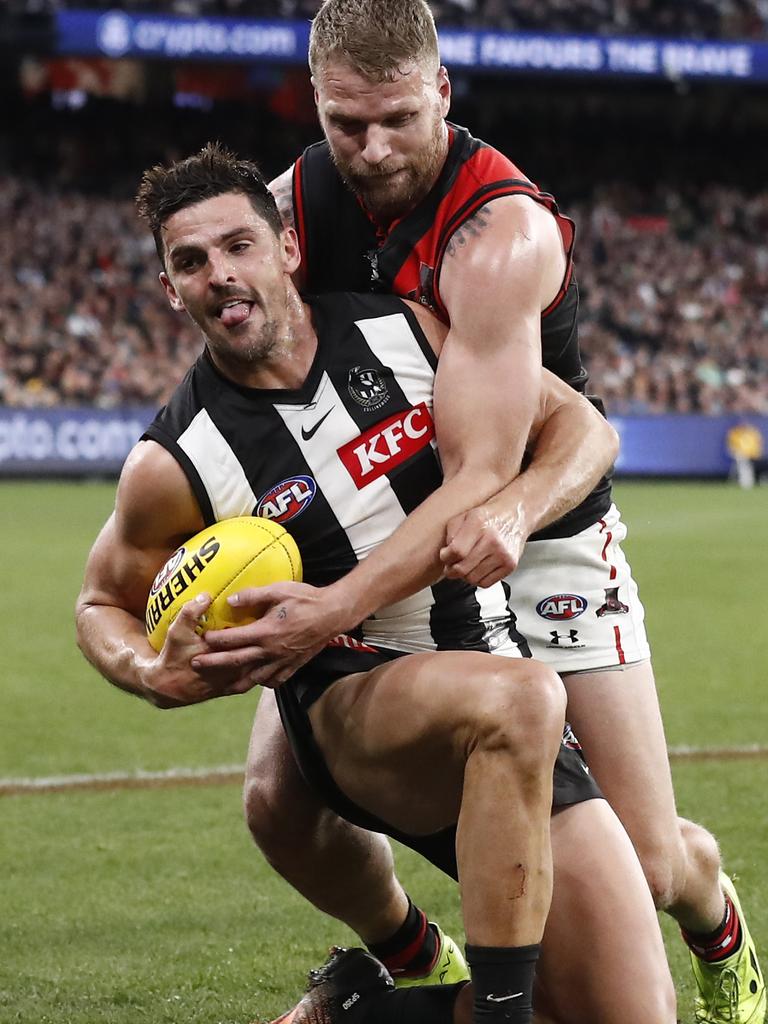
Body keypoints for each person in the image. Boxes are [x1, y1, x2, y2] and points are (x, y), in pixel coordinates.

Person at [215, 3, 764, 1023]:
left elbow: (488, 477)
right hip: (397, 519)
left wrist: (328, 603)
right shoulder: (297, 200)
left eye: (395, 120)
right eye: (345, 124)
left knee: (642, 869)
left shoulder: (499, 233)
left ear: (443, 94)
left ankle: (718, 922)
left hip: (535, 516)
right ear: (317, 104)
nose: (370, 151)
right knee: (278, 803)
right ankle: (420, 960)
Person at [75, 145, 675, 1024]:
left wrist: (513, 512)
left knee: (630, 1015)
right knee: (521, 699)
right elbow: (100, 602)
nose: (220, 276)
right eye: (190, 262)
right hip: (353, 704)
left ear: (285, 246)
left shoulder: (405, 332)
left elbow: (584, 433)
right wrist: (151, 672)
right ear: (170, 289)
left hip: (495, 687)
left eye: (238, 246)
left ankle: (353, 1011)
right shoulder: (178, 458)